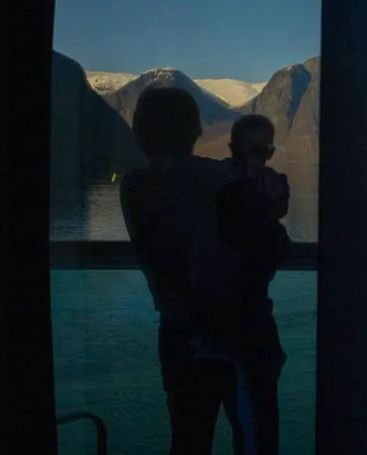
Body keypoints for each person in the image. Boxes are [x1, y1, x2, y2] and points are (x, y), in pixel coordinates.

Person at [120, 87, 243, 454]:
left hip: (178, 333)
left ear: (140, 133)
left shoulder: (133, 187)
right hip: (237, 329)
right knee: (252, 437)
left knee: (188, 439)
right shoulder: (221, 178)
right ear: (195, 131)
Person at [216, 114, 290, 455]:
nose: (260, 160)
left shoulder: (215, 187)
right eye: (257, 151)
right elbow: (272, 249)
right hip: (247, 332)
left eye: (265, 151)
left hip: (218, 328)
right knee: (259, 433)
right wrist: (268, 209)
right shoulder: (229, 196)